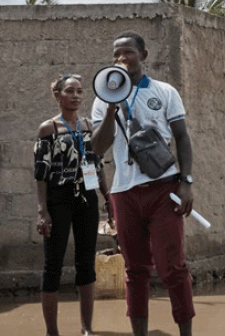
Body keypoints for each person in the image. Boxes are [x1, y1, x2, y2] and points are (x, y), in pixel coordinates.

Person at [91, 31, 195, 336]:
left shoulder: (164, 92)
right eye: (116, 55)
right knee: (134, 270)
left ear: (143, 56)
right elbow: (98, 148)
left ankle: (186, 332)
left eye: (128, 53)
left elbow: (182, 138)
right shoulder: (103, 98)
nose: (121, 59)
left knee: (172, 268)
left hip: (164, 189)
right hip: (124, 194)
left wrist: (186, 182)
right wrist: (111, 106)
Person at [34, 73, 113, 336]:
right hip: (58, 200)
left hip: (86, 198)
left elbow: (96, 164)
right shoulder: (49, 129)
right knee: (52, 264)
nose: (76, 96)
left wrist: (107, 196)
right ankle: (52, 331)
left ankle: (87, 328)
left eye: (80, 91)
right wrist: (42, 211)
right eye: (70, 91)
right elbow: (40, 173)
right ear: (57, 95)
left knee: (85, 263)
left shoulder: (89, 127)